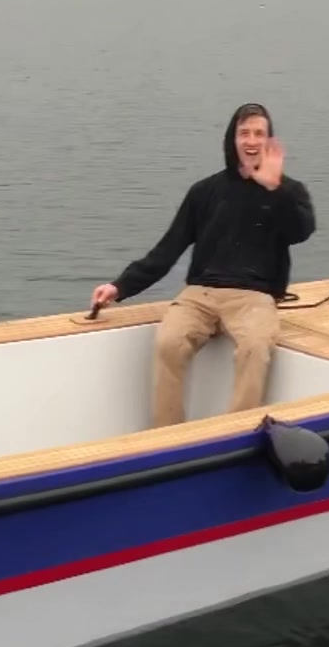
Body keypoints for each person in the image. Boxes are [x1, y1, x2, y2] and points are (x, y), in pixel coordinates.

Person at [90, 102, 316, 426]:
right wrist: (120, 286)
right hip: (200, 294)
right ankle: (168, 435)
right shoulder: (205, 191)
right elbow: (168, 249)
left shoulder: (288, 191)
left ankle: (237, 434)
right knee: (169, 341)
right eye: (244, 133)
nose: (251, 141)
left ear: (269, 141)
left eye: (259, 134)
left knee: (255, 346)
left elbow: (301, 231)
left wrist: (273, 189)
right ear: (232, 139)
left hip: (254, 297)